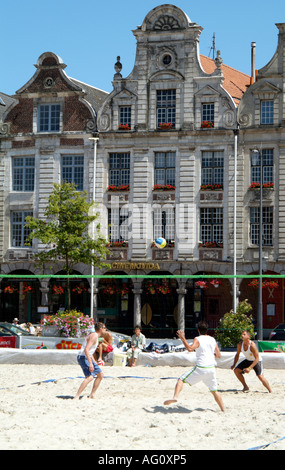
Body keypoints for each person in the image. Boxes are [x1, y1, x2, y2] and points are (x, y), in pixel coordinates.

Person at [164, 321, 225, 412]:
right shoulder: (212, 339)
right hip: (211, 369)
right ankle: (223, 410)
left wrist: (183, 338)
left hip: (202, 367)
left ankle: (175, 397)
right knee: (214, 391)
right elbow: (218, 355)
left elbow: (190, 348)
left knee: (181, 379)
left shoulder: (198, 339)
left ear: (198, 330)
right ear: (207, 330)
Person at [74, 322, 106, 400]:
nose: (106, 330)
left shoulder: (96, 336)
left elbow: (90, 353)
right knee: (90, 377)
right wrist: (91, 364)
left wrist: (94, 362)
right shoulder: (94, 336)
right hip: (82, 357)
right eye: (105, 328)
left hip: (87, 357)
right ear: (101, 329)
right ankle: (77, 396)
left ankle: (92, 394)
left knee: (100, 375)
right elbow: (86, 350)